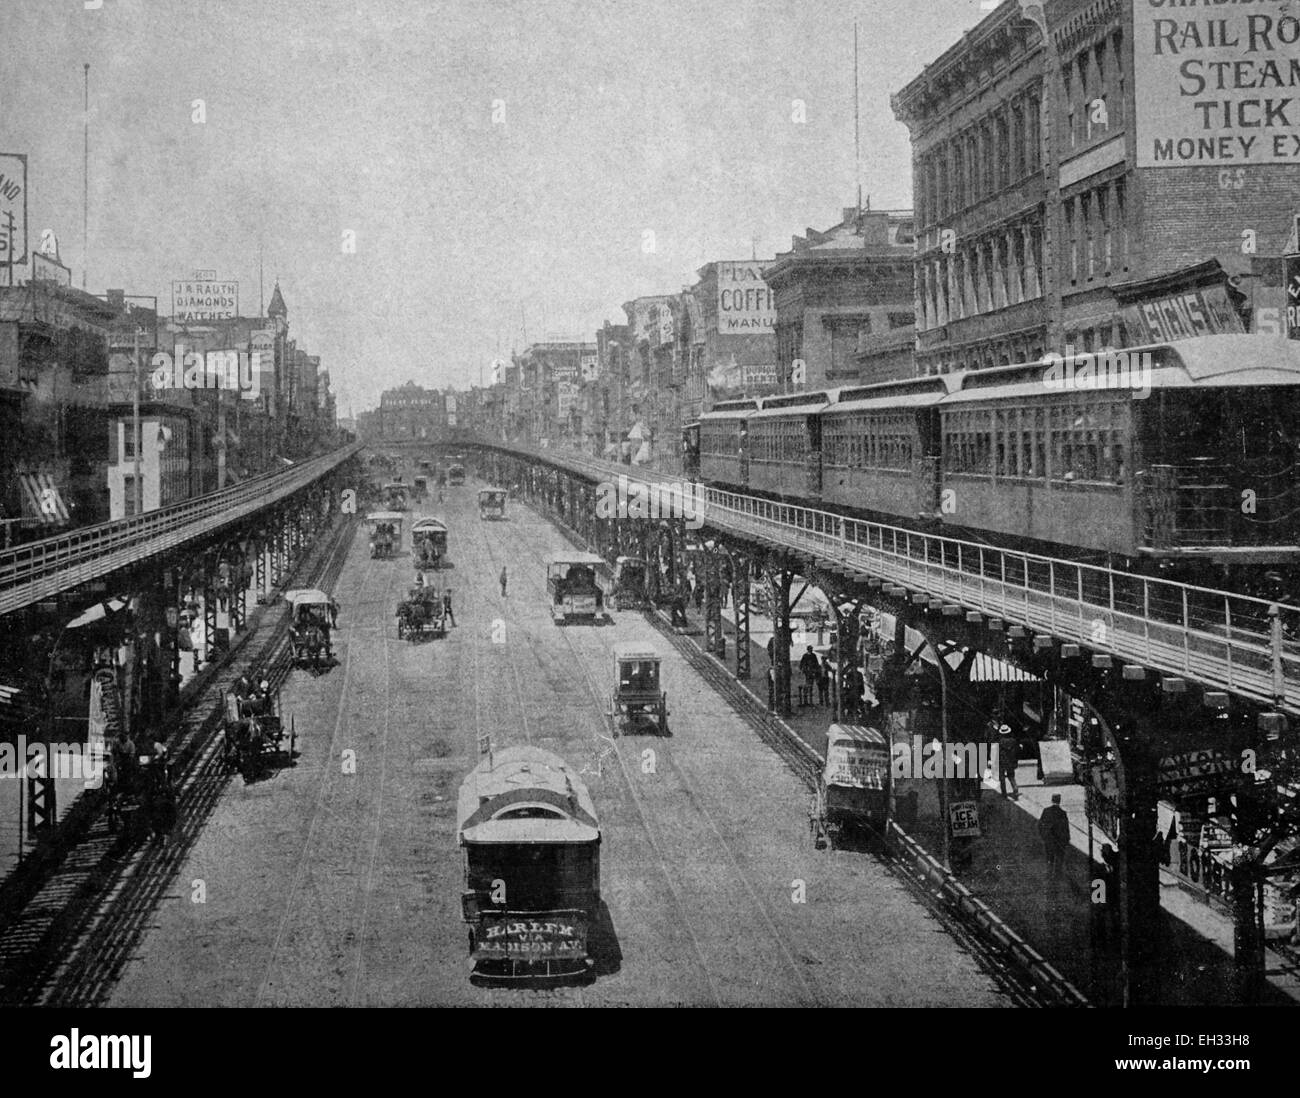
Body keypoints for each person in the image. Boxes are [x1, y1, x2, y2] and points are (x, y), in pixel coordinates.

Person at [1038, 794, 1071, 885]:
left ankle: (1049, 874)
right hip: (1059, 840)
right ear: (1059, 801)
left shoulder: (1046, 811)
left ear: (1052, 800)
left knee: (1049, 857)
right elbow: (1065, 827)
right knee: (1059, 858)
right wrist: (1067, 839)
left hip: (1049, 840)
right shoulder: (1062, 813)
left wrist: (1043, 836)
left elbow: (1040, 824)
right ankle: (1057, 876)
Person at [997, 724, 1020, 799]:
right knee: (1011, 776)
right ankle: (1015, 789)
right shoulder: (1013, 741)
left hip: (1002, 762)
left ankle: (1004, 794)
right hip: (1011, 761)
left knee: (1002, 778)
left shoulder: (999, 742)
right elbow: (1017, 751)